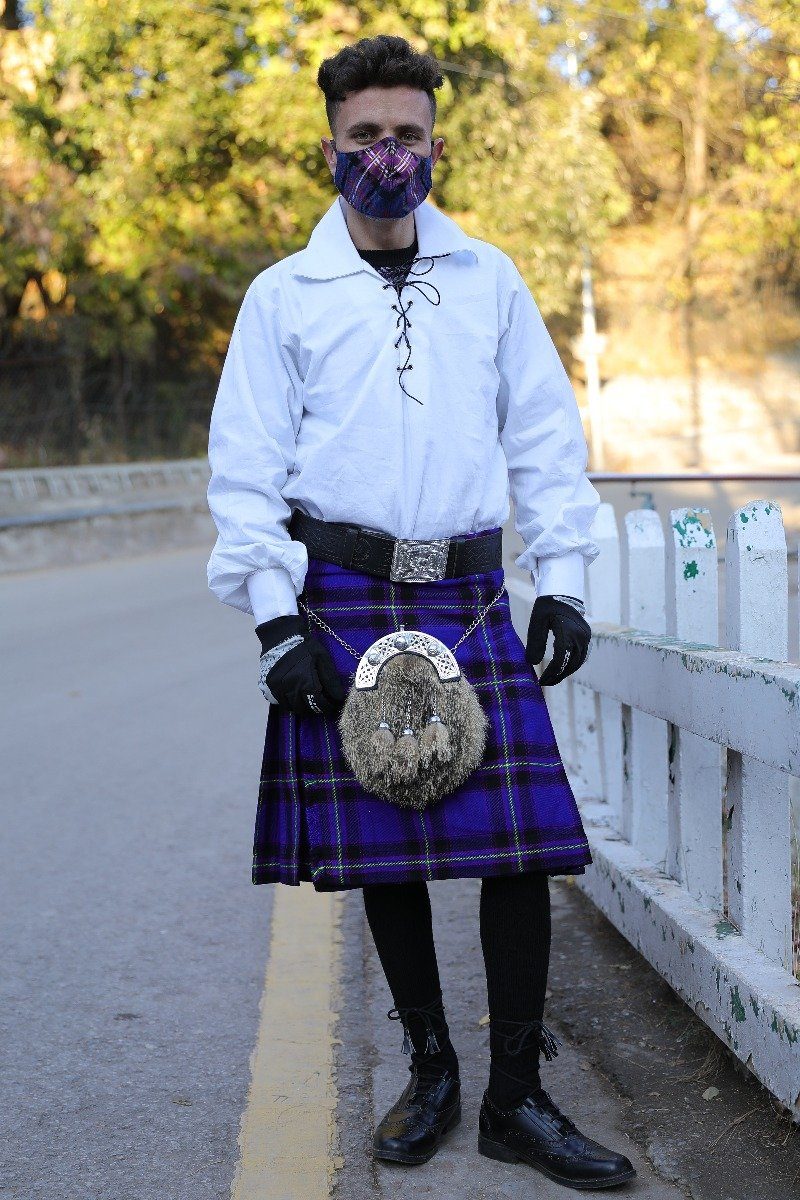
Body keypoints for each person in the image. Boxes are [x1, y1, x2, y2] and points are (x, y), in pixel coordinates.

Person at [206, 33, 635, 1191]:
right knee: (385, 853)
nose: (385, 155)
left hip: (468, 587)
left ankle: (515, 1098)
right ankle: (432, 1066)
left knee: (518, 855)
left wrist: (566, 582)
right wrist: (273, 618)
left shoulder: (488, 278)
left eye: (405, 136)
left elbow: (545, 439)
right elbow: (243, 468)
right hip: (339, 589)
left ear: (433, 144)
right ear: (329, 148)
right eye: (364, 139)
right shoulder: (282, 297)